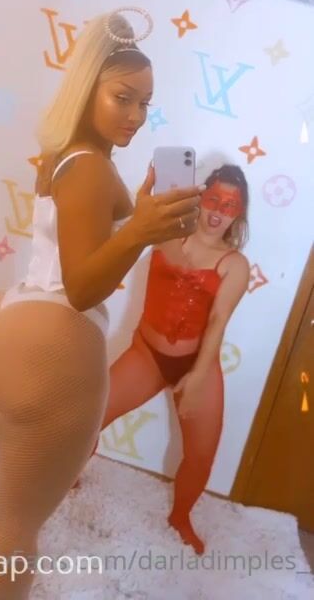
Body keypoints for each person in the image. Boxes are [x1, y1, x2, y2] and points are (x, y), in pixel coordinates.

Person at [0, 7, 204, 600]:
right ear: (88, 87)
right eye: (123, 98)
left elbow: (92, 234)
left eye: (146, 104)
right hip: (53, 345)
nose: (136, 116)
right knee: (15, 528)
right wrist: (137, 231)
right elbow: (83, 288)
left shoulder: (67, 154)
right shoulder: (92, 169)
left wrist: (143, 219)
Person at [75, 164, 250, 556]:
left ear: (239, 213)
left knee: (202, 454)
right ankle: (67, 477)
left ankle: (180, 517)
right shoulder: (168, 233)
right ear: (200, 198)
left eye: (230, 205)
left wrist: (198, 378)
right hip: (146, 355)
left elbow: (218, 321)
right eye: (213, 200)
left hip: (198, 363)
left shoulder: (234, 264)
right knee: (88, 419)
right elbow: (133, 226)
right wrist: (145, 198)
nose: (219, 211)